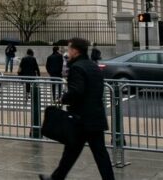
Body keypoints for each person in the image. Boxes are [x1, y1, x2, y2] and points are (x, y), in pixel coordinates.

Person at [39, 37, 115, 180]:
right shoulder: (93, 66)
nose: (68, 52)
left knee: (75, 152)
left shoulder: (77, 67)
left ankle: (57, 178)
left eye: (69, 49)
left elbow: (76, 90)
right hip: (95, 117)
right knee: (88, 153)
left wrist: (63, 99)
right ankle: (56, 177)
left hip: (81, 119)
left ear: (75, 50)